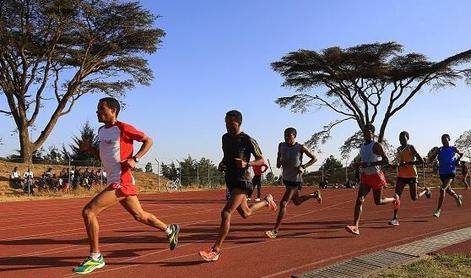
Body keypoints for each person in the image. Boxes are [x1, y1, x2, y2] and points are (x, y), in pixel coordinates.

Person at [72, 97, 180, 274]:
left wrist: (135, 158)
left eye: (101, 109)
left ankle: (95, 257)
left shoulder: (124, 128)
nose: (98, 112)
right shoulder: (101, 131)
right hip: (114, 179)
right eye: (97, 109)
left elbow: (148, 140)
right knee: (139, 216)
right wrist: (89, 149)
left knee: (88, 212)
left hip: (121, 181)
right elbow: (104, 156)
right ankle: (170, 230)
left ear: (113, 111)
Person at [199, 110, 278, 262]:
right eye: (226, 123)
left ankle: (215, 250)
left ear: (239, 123)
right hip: (230, 179)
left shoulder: (247, 139)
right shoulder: (225, 138)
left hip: (243, 180)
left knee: (226, 213)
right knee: (246, 213)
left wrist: (246, 163)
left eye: (231, 123)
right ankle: (267, 201)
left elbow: (262, 161)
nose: (228, 126)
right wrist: (222, 164)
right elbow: (226, 156)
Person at [265, 127, 321, 239]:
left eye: (289, 136)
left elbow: (315, 158)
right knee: (297, 201)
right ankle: (314, 195)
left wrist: (303, 166)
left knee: (283, 203)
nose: (286, 138)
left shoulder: (300, 147)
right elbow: (278, 155)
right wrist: (278, 162)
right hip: (286, 178)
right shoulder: (281, 145)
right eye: (285, 136)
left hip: (296, 180)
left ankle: (275, 231)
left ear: (294, 136)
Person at [345, 124, 400, 236]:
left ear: (372, 133)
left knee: (378, 201)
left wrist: (369, 163)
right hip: (365, 176)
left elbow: (385, 160)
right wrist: (357, 165)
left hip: (376, 176)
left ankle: (394, 199)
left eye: (367, 131)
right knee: (359, 199)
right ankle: (355, 226)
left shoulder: (376, 145)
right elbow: (363, 160)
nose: (364, 133)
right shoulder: (362, 146)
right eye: (363, 131)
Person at [388, 131, 432, 226]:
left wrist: (407, 164)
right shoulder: (398, 149)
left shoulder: (410, 148)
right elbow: (400, 162)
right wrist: (394, 165)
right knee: (396, 196)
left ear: (408, 138)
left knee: (414, 197)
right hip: (401, 176)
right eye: (400, 138)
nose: (401, 140)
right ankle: (395, 218)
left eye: (403, 138)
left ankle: (426, 190)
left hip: (411, 175)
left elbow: (420, 161)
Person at [427, 134, 464, 218]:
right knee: (448, 190)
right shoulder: (440, 149)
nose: (443, 141)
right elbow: (430, 160)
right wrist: (435, 153)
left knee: (442, 189)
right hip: (442, 173)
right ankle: (458, 197)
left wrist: (457, 160)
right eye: (442, 140)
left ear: (449, 139)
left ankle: (438, 210)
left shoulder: (453, 148)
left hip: (451, 172)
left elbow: (461, 154)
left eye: (445, 139)